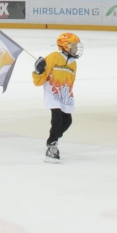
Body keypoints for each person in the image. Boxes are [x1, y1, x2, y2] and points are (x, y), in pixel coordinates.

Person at [32, 32, 81, 162]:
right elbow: (39, 81)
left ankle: (53, 138)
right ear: (66, 46)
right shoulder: (54, 57)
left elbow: (71, 81)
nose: (77, 48)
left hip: (64, 95)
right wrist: (38, 71)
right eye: (74, 45)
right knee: (57, 120)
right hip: (53, 94)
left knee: (67, 121)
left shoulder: (73, 64)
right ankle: (52, 145)